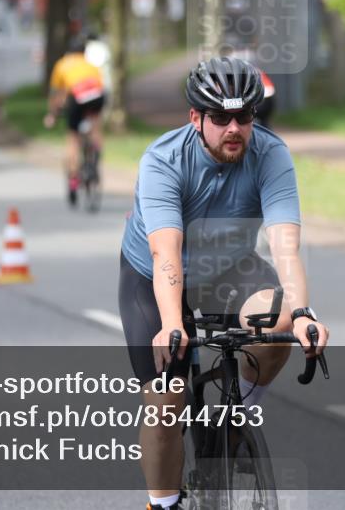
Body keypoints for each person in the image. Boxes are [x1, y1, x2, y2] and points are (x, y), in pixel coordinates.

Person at [118, 57, 330, 510]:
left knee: (280, 320)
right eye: (220, 118)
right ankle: (166, 503)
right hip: (152, 277)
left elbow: (285, 246)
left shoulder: (270, 154)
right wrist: (173, 323)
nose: (233, 127)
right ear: (195, 118)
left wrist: (305, 313)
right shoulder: (163, 161)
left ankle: (236, 413)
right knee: (166, 399)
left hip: (230, 267)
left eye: (244, 116)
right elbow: (166, 255)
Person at [44, 35, 106, 205]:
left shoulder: (63, 64)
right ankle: (96, 151)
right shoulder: (91, 65)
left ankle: (73, 182)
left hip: (77, 97)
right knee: (95, 126)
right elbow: (101, 86)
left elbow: (58, 94)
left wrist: (53, 115)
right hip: (97, 96)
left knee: (73, 139)